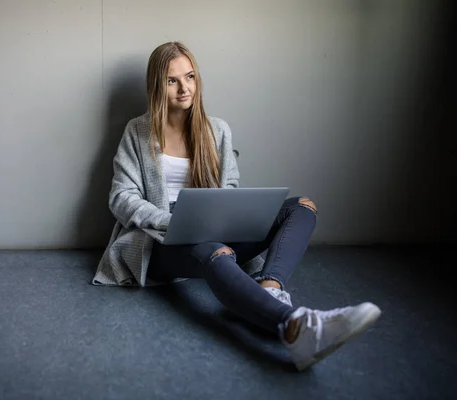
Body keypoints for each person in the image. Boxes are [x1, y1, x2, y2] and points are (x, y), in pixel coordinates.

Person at [92, 41, 381, 371]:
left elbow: (228, 188)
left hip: (211, 224)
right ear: (157, 85)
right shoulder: (137, 132)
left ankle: (270, 290)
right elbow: (121, 197)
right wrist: (172, 222)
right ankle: (296, 325)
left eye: (190, 77)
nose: (185, 88)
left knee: (301, 206)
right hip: (157, 237)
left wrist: (218, 218)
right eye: (173, 80)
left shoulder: (217, 130)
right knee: (212, 247)